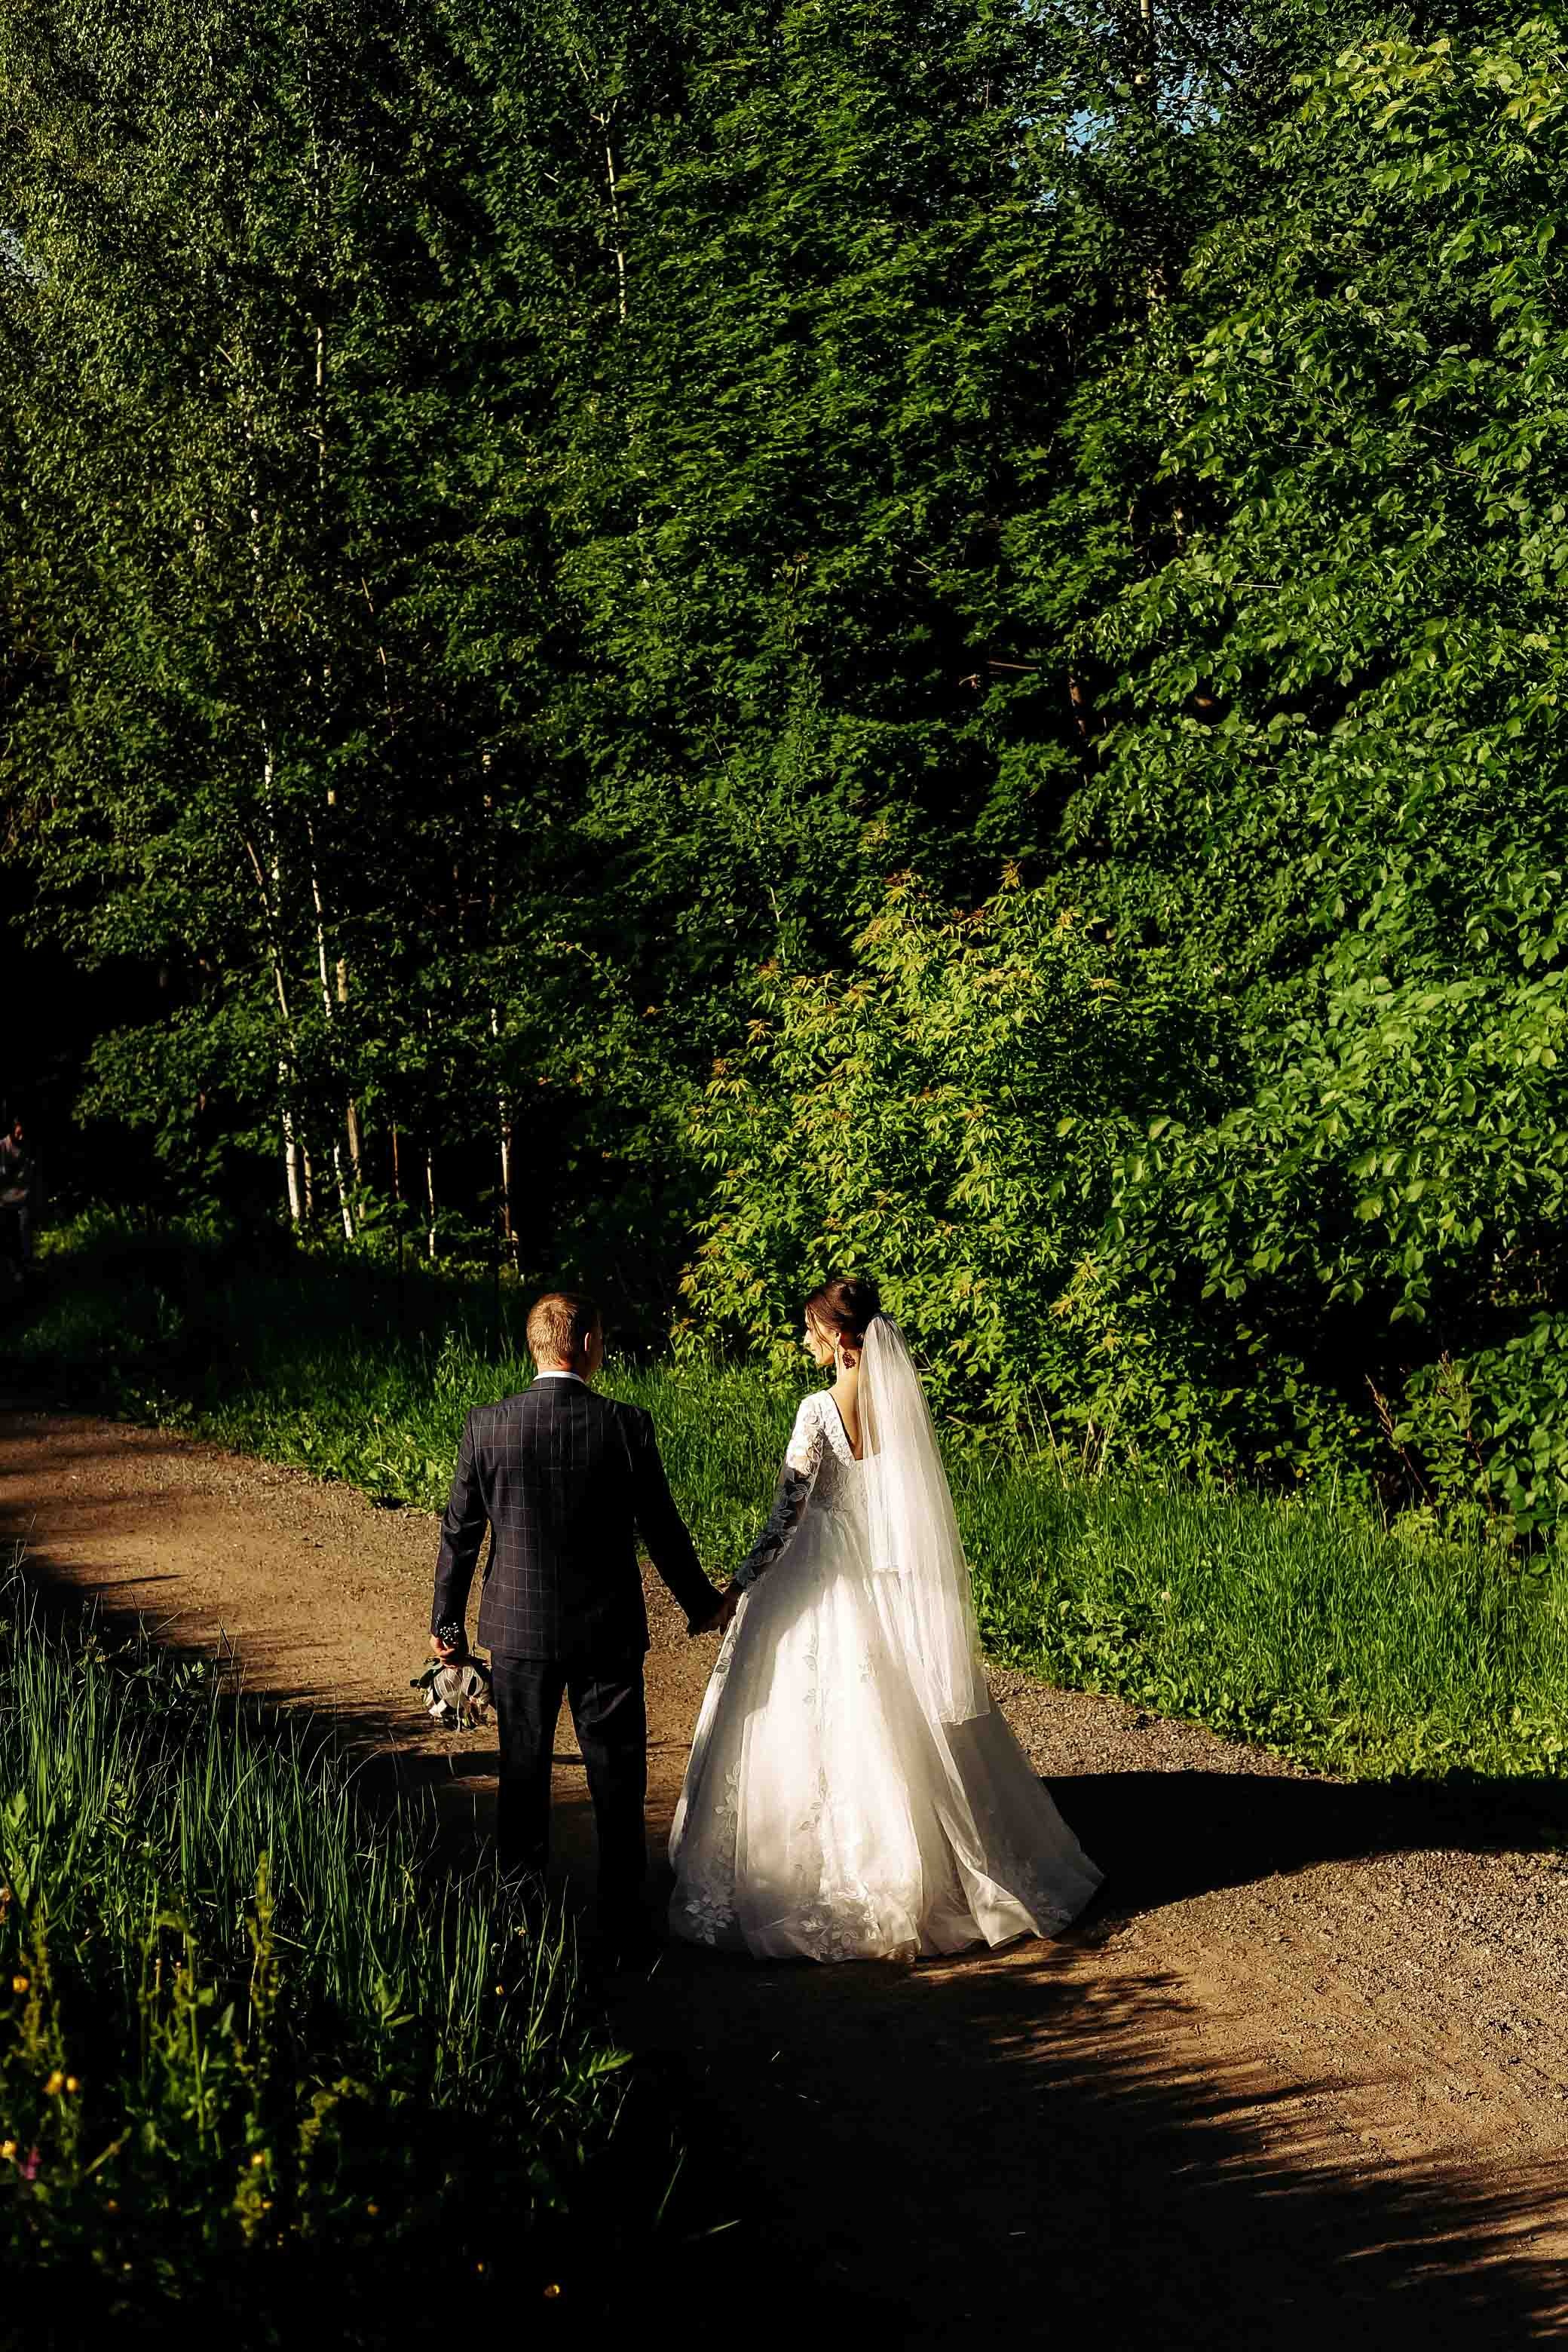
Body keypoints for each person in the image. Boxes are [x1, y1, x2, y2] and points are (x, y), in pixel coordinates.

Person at [669, 1274, 1103, 1961]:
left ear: (841, 1341)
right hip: (884, 1574)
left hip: (821, 1571)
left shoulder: (818, 1411)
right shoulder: (901, 1406)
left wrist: (739, 1586)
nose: (805, 1341)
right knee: (902, 1716)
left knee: (817, 1713)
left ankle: (830, 1879)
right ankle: (951, 1865)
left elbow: (788, 1514)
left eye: (811, 1331)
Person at [429, 1291, 723, 1959]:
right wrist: (701, 1602)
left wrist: (447, 1624)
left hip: (519, 1632)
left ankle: (519, 1913)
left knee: (522, 1772)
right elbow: (663, 1530)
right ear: (588, 1344)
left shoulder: (488, 1425)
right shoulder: (625, 1425)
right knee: (618, 1779)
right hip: (606, 1632)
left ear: (534, 1348)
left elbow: (460, 1536)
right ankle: (622, 1922)